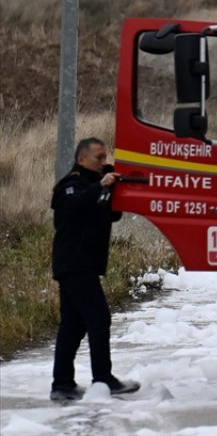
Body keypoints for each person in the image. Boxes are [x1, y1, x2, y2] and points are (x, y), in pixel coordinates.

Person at [49, 138, 141, 402]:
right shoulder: (71, 184)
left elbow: (111, 215)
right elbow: (73, 205)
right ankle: (104, 379)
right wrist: (100, 185)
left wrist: (112, 186)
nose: (102, 162)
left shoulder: (96, 185)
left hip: (85, 264)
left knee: (73, 325)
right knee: (99, 318)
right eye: (98, 158)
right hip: (74, 264)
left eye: (104, 157)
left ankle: (62, 383)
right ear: (82, 159)